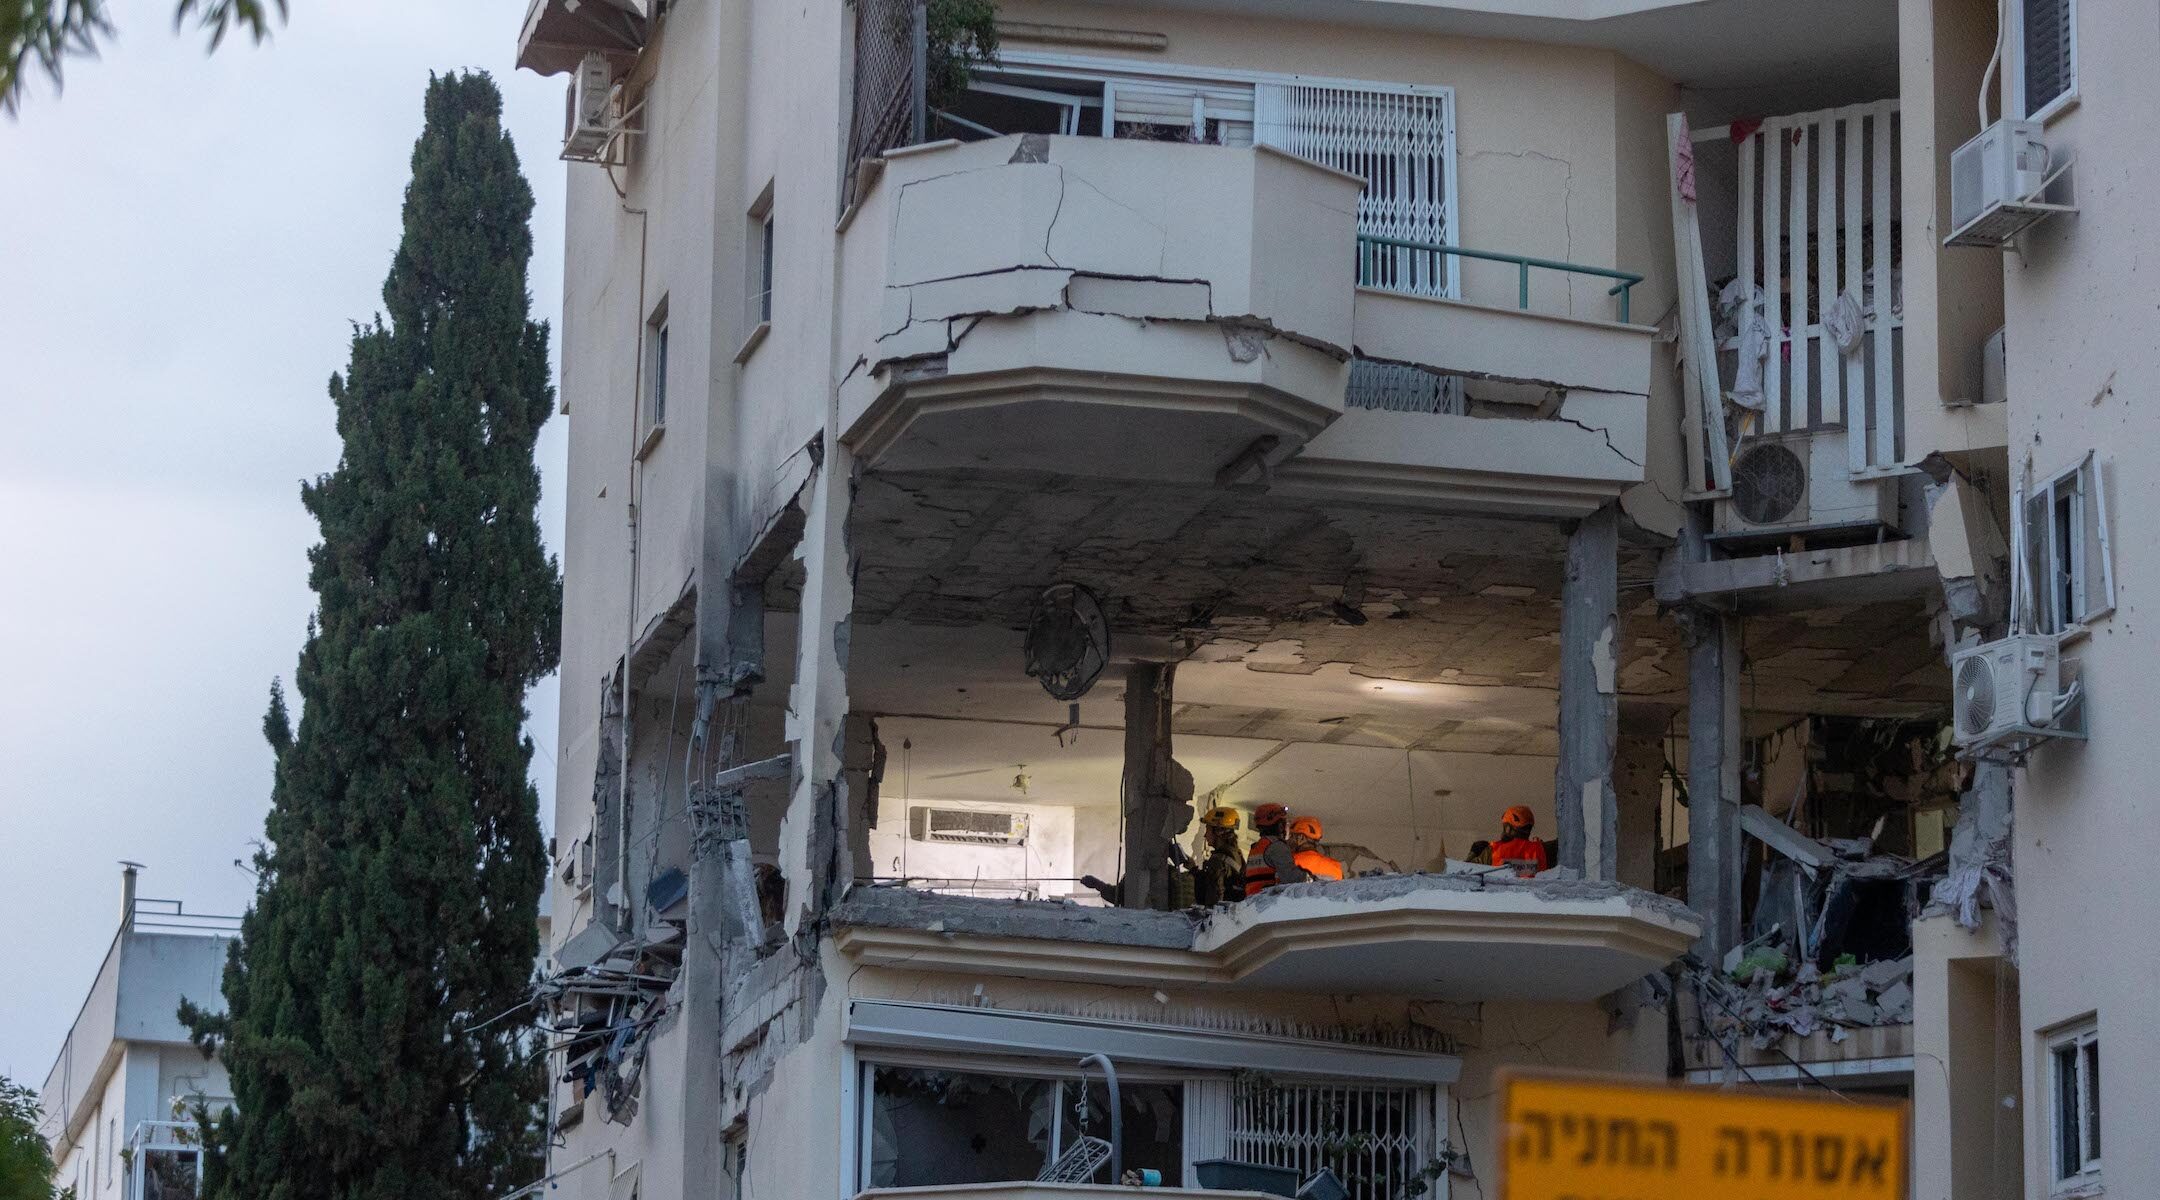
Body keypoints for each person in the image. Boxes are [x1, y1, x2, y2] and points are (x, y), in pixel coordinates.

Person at [1187, 805, 1248, 907]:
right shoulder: (1236, 854)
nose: (1205, 835)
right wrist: (1194, 870)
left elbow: (1214, 896)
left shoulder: (1218, 861)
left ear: (1219, 832)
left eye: (1208, 830)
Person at [1242, 802, 1301, 897]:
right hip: (1270, 902)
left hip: (1253, 902)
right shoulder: (1276, 846)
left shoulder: (1257, 848)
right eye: (1284, 823)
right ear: (1280, 826)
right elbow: (1291, 877)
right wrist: (1310, 878)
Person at [1489, 805, 1550, 876]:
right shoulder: (1540, 849)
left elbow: (1473, 874)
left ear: (1508, 828)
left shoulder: (1493, 850)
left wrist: (1474, 852)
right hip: (1535, 887)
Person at [1285, 815, 1345, 882]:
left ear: (1301, 837)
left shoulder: (1288, 862)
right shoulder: (1335, 867)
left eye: (1291, 836)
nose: (1288, 840)